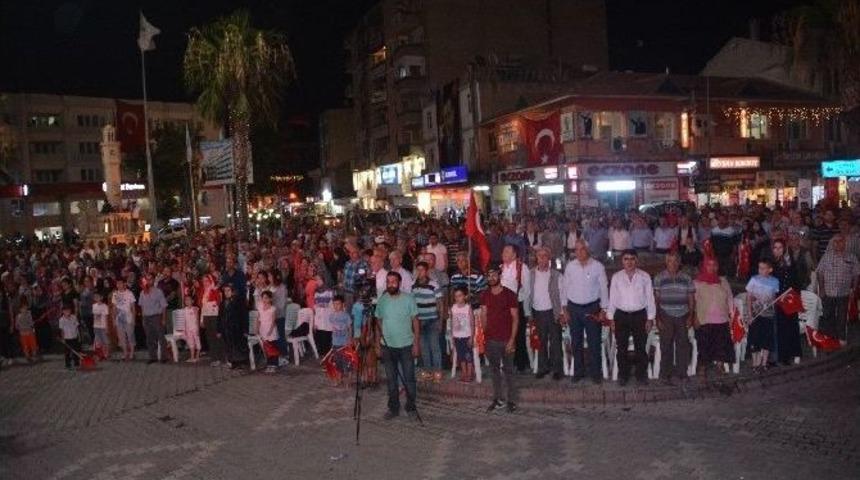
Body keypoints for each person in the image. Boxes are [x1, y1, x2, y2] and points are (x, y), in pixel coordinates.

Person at [374, 271, 420, 420]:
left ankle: (411, 407)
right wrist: (377, 343)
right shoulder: (382, 300)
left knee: (409, 378)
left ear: (399, 283)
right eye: (388, 281)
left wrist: (416, 343)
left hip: (406, 344)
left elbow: (415, 321)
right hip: (387, 346)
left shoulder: (409, 299)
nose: (391, 284)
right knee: (391, 380)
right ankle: (393, 408)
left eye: (394, 281)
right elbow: (378, 322)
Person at [607, 249, 656, 386]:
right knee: (621, 347)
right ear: (622, 261)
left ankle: (641, 374)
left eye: (632, 259)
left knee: (641, 347)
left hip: (640, 315)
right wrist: (611, 319)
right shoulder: (616, 277)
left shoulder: (645, 277)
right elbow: (612, 300)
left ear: (637, 261)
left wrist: (650, 318)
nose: (629, 262)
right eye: (626, 259)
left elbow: (650, 298)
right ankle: (623, 374)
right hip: (621, 316)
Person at [563, 239, 609, 384]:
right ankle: (578, 372)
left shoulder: (598, 266)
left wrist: (604, 309)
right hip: (574, 308)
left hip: (592, 308)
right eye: (576, 249)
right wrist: (564, 309)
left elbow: (604, 289)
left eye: (582, 249)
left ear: (587, 250)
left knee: (594, 342)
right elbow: (564, 288)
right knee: (576, 342)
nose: (579, 252)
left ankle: (596, 373)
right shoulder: (570, 267)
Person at [653, 252, 695, 385]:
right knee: (666, 345)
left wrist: (690, 316)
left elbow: (691, 299)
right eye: (670, 261)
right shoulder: (659, 278)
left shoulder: (687, 278)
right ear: (666, 262)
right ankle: (666, 374)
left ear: (679, 262)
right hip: (665, 314)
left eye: (676, 261)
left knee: (683, 345)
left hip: (683, 314)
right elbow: (656, 300)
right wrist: (657, 318)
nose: (673, 263)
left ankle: (682, 373)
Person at [480, 267, 519, 412]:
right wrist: (485, 335)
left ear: (499, 275)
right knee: (494, 370)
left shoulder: (509, 295)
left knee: (508, 370)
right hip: (491, 340)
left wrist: (512, 339)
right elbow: (483, 315)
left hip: (506, 339)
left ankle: (511, 401)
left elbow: (515, 318)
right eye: (488, 275)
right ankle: (497, 399)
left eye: (493, 274)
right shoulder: (485, 295)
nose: (491, 277)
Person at [524, 246, 565, 380]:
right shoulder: (530, 274)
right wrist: (528, 312)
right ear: (536, 258)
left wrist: (562, 312)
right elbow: (526, 294)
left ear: (549, 258)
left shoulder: (556, 275)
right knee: (540, 342)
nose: (542, 258)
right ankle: (543, 368)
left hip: (553, 312)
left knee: (555, 342)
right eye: (540, 256)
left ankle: (557, 369)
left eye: (545, 256)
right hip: (537, 312)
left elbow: (562, 295)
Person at [692, 257, 735, 376]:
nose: (712, 268)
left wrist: (731, 314)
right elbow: (693, 302)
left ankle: (720, 366)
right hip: (704, 318)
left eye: (714, 265)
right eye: (709, 265)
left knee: (721, 344)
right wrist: (694, 317)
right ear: (704, 266)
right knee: (704, 345)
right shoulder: (697, 282)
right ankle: (702, 367)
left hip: (722, 319)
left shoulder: (723, 281)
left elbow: (730, 298)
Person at [816, 234, 860, 346]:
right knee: (827, 315)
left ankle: (841, 337)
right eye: (835, 242)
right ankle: (829, 337)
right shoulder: (827, 256)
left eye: (840, 241)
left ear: (844, 243)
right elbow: (820, 272)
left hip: (844, 292)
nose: (838, 243)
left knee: (842, 316)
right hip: (828, 291)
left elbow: (856, 274)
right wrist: (821, 289)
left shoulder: (851, 257)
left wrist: (854, 289)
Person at [500, 244, 531, 373]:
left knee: (518, 335)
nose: (504, 253)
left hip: (517, 305)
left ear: (514, 255)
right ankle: (508, 362)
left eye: (507, 251)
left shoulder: (521, 267)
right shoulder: (500, 268)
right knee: (505, 335)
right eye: (503, 251)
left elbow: (527, 289)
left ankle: (521, 364)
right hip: (503, 307)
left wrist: (521, 304)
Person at [771, 239, 802, 365]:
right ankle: (782, 356)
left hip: (788, 300)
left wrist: (787, 295)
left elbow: (795, 283)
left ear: (784, 249)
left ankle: (794, 353)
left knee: (791, 327)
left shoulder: (790, 264)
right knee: (780, 329)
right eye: (775, 248)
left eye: (780, 247)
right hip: (776, 301)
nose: (778, 250)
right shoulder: (771, 264)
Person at [746, 259, 780, 371]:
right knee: (755, 339)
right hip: (756, 314)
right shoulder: (754, 280)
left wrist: (772, 303)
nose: (761, 270)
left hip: (768, 315)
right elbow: (749, 298)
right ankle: (755, 363)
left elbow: (774, 297)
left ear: (770, 269)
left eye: (764, 268)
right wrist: (750, 315)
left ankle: (764, 362)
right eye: (759, 268)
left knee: (766, 340)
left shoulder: (774, 281)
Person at [412, 261, 443, 380]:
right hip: (419, 321)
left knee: (434, 347)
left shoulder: (434, 284)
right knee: (424, 348)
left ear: (427, 271)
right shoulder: (413, 286)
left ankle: (437, 372)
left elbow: (440, 303)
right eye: (418, 270)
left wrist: (440, 321)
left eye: (422, 270)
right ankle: (428, 372)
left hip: (432, 320)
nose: (420, 272)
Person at [139, 275, 168, 364]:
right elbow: (142, 306)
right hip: (147, 317)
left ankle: (164, 357)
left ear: (153, 280)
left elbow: (163, 306)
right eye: (147, 279)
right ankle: (153, 357)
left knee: (161, 337)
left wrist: (163, 318)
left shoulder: (158, 291)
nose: (148, 281)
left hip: (156, 316)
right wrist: (143, 318)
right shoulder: (142, 292)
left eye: (150, 279)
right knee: (149, 338)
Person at [218, 283, 248, 369]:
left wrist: (245, 329)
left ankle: (240, 363)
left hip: (236, 328)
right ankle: (232, 361)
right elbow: (220, 317)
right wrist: (219, 329)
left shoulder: (238, 302)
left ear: (233, 291)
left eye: (228, 291)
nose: (226, 293)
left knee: (238, 346)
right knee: (229, 345)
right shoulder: (223, 303)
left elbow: (243, 316)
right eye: (225, 291)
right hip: (226, 329)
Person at [449, 286, 475, 382]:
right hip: (457, 336)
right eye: (456, 296)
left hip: (466, 336)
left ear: (465, 296)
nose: (458, 298)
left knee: (468, 356)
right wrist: (452, 336)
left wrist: (472, 337)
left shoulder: (468, 308)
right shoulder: (453, 308)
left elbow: (472, 323)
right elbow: (452, 323)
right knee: (461, 356)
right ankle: (464, 373)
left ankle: (469, 373)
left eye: (460, 296)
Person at [200, 274, 224, 366]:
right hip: (206, 316)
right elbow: (202, 307)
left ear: (210, 281)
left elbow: (219, 304)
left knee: (216, 337)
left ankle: (221, 357)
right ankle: (214, 357)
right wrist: (201, 319)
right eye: (203, 281)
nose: (205, 283)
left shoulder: (215, 290)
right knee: (209, 337)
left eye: (206, 281)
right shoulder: (203, 291)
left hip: (214, 316)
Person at [111, 278, 137, 361]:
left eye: (120, 283)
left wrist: (134, 319)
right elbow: (114, 308)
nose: (119, 285)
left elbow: (133, 307)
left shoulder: (129, 293)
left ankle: (132, 353)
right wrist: (113, 319)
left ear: (124, 284)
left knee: (130, 336)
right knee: (121, 337)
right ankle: (125, 352)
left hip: (128, 317)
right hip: (119, 318)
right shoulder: (115, 294)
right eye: (117, 283)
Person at [329, 295, 353, 385]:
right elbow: (332, 328)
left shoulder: (346, 316)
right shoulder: (331, 316)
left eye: (338, 304)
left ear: (343, 304)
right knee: (337, 361)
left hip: (344, 343)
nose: (336, 306)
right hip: (335, 342)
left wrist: (350, 339)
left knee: (347, 361)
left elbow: (350, 328)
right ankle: (339, 378)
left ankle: (349, 379)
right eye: (334, 304)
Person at [257, 290, 279, 373]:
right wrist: (257, 329)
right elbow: (258, 319)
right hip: (263, 329)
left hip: (271, 331)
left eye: (266, 298)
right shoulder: (260, 307)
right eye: (263, 298)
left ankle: (274, 365)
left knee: (273, 347)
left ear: (270, 299)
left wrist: (270, 330)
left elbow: (273, 321)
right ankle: (269, 364)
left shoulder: (273, 309)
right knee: (266, 348)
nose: (264, 300)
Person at [14, 298, 37, 362]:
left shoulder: (29, 314)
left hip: (30, 332)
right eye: (23, 308)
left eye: (25, 307)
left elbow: (31, 323)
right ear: (20, 309)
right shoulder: (18, 316)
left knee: (33, 345)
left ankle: (34, 355)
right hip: (23, 334)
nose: (25, 309)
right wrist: (20, 328)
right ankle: (27, 356)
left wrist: (32, 324)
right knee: (25, 346)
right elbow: (16, 326)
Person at [58, 304, 80, 370]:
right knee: (67, 352)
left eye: (68, 310)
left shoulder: (74, 317)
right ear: (63, 311)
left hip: (74, 337)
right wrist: (63, 338)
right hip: (67, 338)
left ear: (70, 311)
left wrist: (79, 336)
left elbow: (77, 327)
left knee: (76, 350)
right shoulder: (61, 320)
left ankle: (77, 363)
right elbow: (62, 330)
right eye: (65, 311)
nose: (67, 312)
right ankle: (68, 364)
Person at [181, 294, 201, 363]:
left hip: (195, 328)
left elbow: (197, 319)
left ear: (192, 301)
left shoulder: (195, 309)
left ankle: (197, 356)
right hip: (188, 329)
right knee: (191, 343)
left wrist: (198, 328)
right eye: (186, 300)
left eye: (189, 300)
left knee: (197, 341)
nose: (187, 301)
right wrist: (184, 330)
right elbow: (184, 320)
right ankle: (192, 357)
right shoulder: (184, 310)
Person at [91, 293, 109, 359]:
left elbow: (106, 317)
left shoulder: (105, 306)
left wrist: (106, 326)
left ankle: (106, 354)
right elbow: (94, 316)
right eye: (95, 297)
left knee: (105, 341)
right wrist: (94, 325)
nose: (96, 298)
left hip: (103, 326)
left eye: (97, 296)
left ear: (101, 297)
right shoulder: (93, 306)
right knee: (98, 341)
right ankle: (100, 354)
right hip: (96, 326)